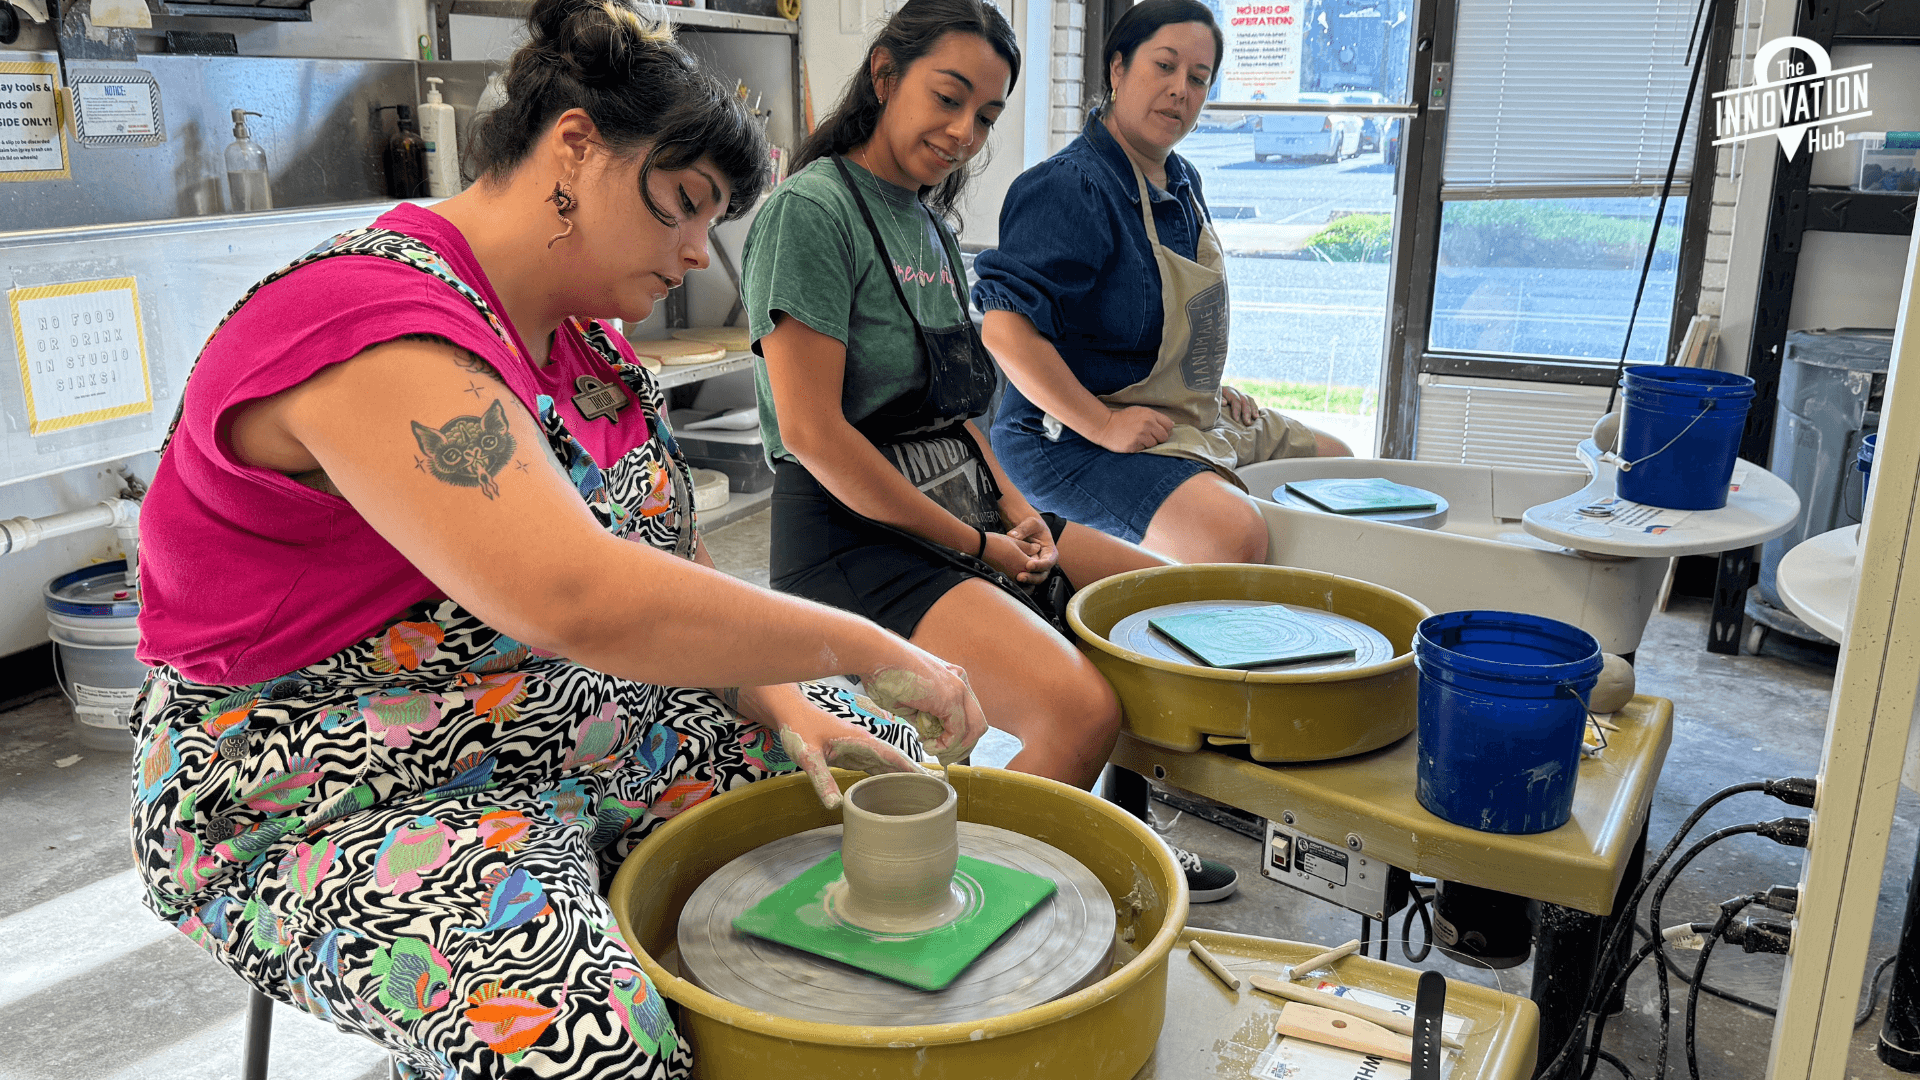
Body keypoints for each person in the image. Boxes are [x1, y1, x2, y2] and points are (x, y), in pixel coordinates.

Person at [128, 3, 989, 1077]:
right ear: (576, 147)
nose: (697, 255)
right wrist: (869, 645)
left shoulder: (582, 345)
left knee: (877, 773)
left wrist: (782, 698)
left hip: (567, 728)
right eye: (682, 206)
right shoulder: (370, 322)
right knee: (588, 1045)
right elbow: (578, 596)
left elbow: (671, 564)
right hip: (328, 788)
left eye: (712, 222)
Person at [741, 0, 1237, 902]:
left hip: (961, 502)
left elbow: (960, 404)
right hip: (855, 540)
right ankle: (956, 896)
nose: (965, 132)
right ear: (885, 77)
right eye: (948, 98)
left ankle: (1109, 837)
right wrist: (980, 548)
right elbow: (814, 436)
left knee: (1154, 610)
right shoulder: (811, 213)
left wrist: (1013, 506)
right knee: (1078, 707)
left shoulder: (927, 219)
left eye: (988, 115)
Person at [973, 0, 1352, 566]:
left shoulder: (1183, 179)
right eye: (1165, 67)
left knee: (1337, 467)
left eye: (1198, 79)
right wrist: (1104, 424)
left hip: (1174, 413)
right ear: (1118, 69)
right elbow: (1004, 332)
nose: (1181, 90)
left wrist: (1198, 387)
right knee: (1232, 534)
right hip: (1065, 438)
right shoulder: (1069, 188)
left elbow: (1158, 324)